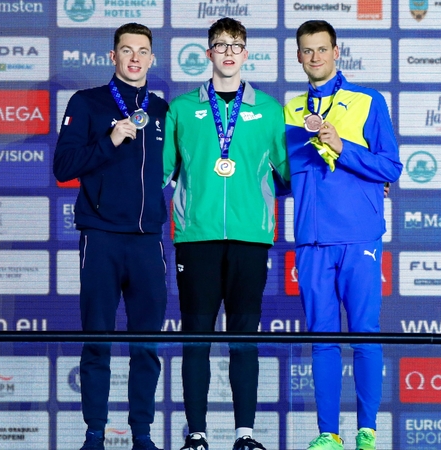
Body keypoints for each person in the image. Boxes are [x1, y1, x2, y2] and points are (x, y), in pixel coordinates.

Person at [162, 17, 289, 450]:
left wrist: (361, 177)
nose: (229, 52)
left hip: (251, 239)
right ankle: (196, 434)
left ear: (247, 52)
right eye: (221, 44)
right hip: (195, 238)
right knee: (195, 337)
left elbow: (294, 173)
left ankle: (245, 434)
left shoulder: (271, 111)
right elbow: (156, 173)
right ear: (209, 53)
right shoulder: (181, 110)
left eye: (236, 44)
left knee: (243, 338)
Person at [283, 20, 403, 450]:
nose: (314, 57)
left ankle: (367, 430)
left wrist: (343, 148)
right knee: (322, 337)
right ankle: (328, 433)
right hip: (313, 240)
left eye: (321, 49)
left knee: (365, 333)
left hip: (358, 237)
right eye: (306, 51)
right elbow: (285, 177)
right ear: (298, 56)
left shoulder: (368, 101)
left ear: (337, 52)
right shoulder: (291, 110)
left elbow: (390, 167)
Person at [53, 22, 168, 450]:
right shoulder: (87, 103)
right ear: (112, 57)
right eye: (126, 50)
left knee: (147, 346)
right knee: (97, 340)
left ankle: (142, 435)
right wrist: (111, 138)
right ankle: (95, 434)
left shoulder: (161, 109)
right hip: (101, 237)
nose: (135, 58)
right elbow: (63, 166)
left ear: (152, 58)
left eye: (142, 51)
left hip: (146, 241)